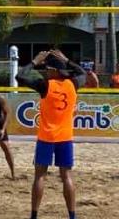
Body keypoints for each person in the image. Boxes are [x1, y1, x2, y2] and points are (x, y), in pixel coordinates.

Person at [16, 49, 85, 219]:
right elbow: (83, 73)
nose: (46, 71)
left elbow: (20, 76)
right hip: (65, 137)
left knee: (40, 175)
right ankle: (72, 216)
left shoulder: (46, 85)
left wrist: (34, 61)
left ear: (54, 71)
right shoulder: (73, 84)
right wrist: (67, 60)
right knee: (67, 176)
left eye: (48, 69)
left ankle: (34, 215)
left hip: (47, 136)